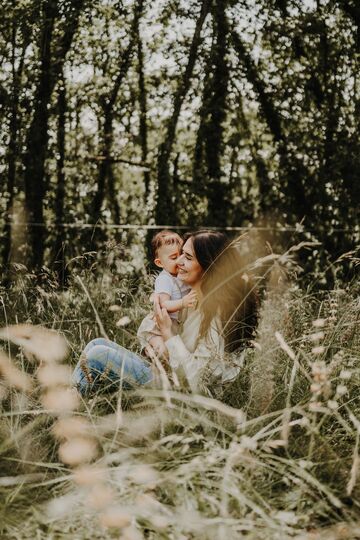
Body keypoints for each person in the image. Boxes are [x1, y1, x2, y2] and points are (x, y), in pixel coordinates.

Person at [72, 230, 258, 396]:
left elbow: (198, 382)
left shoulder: (218, 317)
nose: (179, 262)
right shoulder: (191, 299)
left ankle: (68, 403)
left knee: (97, 355)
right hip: (166, 373)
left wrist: (168, 335)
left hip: (180, 392)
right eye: (180, 255)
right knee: (96, 344)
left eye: (188, 257)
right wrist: (157, 341)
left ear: (209, 266)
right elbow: (151, 327)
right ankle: (72, 397)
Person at [137, 230, 197, 360]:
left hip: (174, 326)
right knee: (162, 352)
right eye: (174, 257)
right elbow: (163, 304)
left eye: (182, 254)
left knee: (171, 354)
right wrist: (182, 302)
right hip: (157, 328)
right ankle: (145, 361)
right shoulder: (165, 279)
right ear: (159, 263)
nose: (180, 260)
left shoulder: (181, 276)